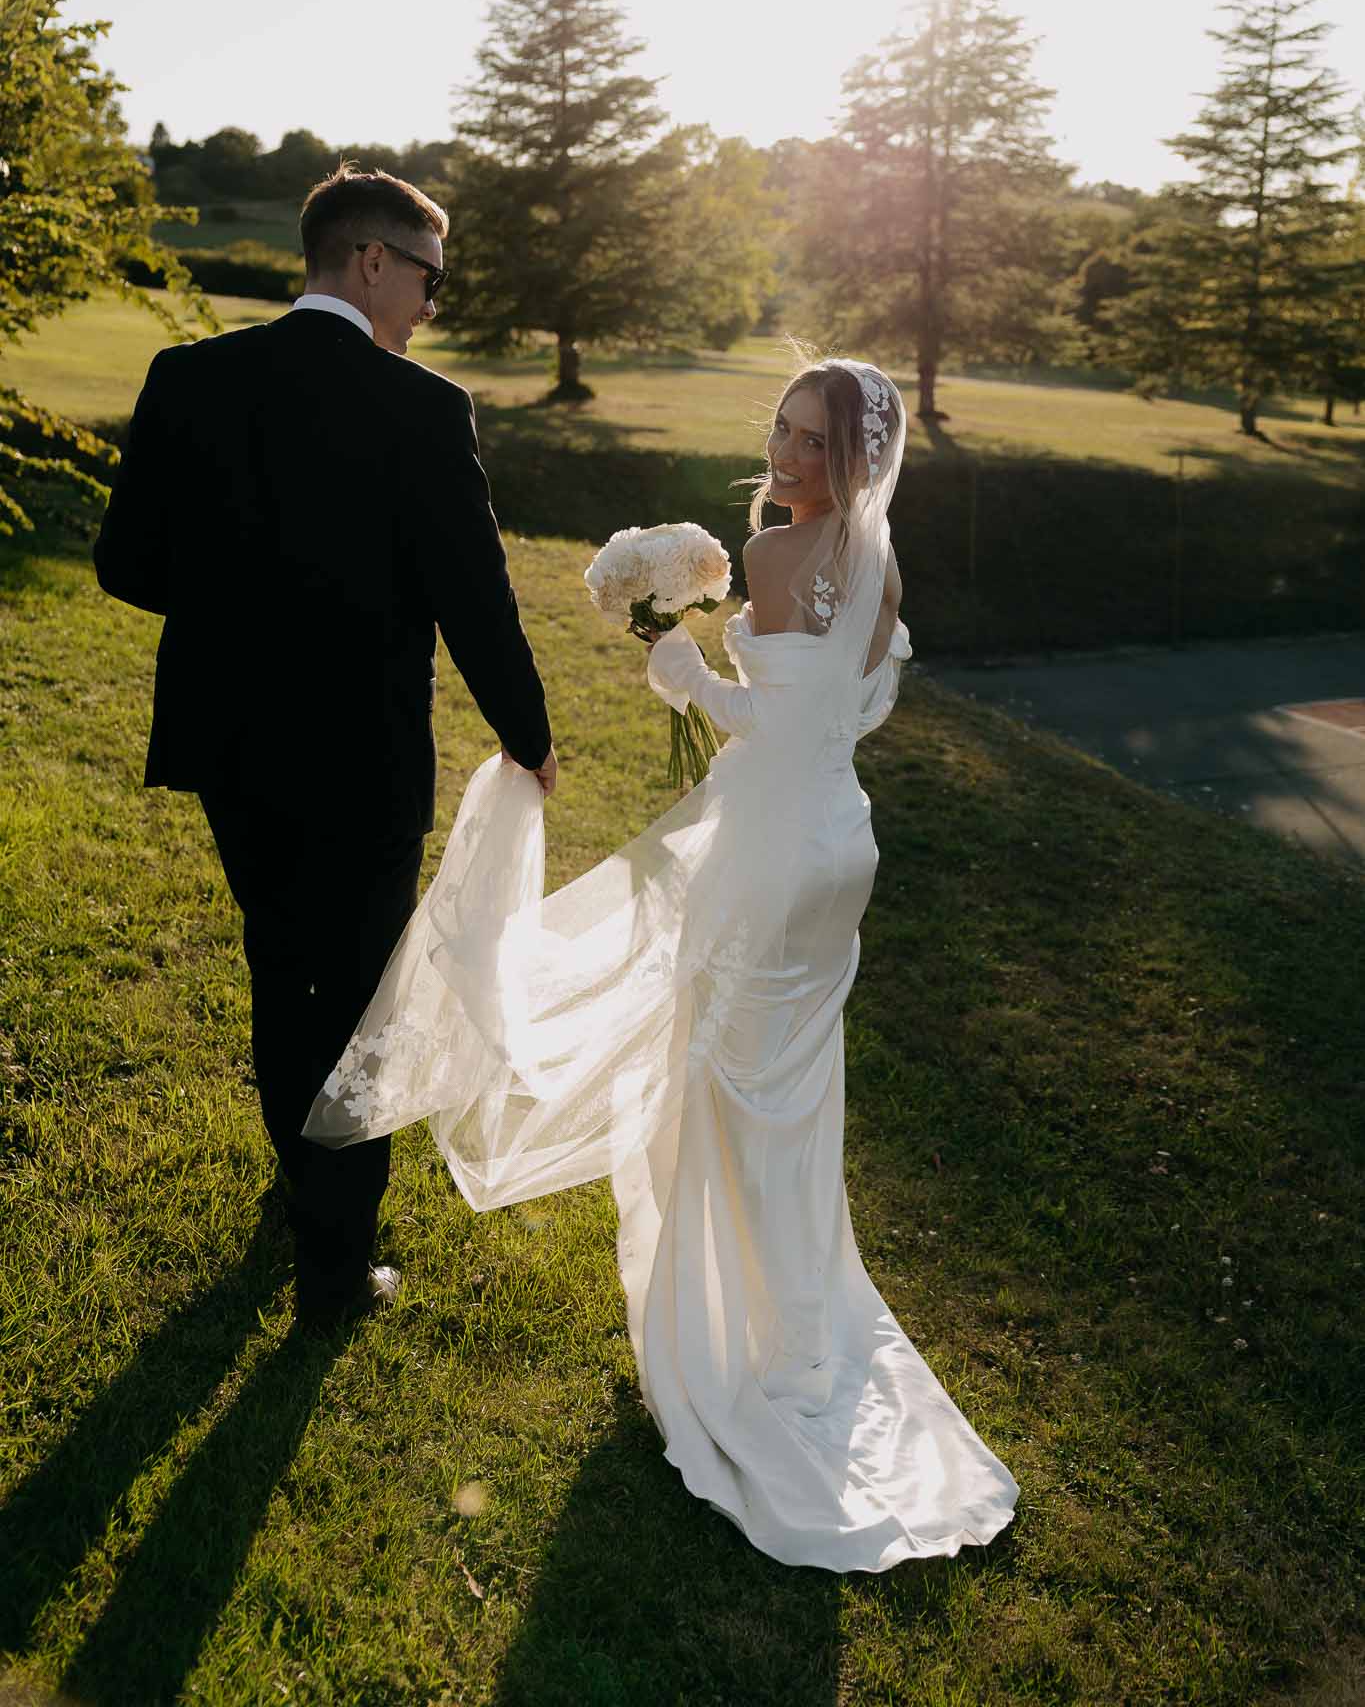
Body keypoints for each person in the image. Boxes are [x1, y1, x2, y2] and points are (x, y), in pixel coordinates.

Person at [307, 350, 1017, 1568]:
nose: (788, 455)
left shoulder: (780, 554)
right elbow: (856, 709)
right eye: (783, 429)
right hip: (839, 847)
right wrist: (723, 692)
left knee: (723, 1092)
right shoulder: (875, 554)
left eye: (814, 441)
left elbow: (779, 718)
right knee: (787, 1101)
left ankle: (733, 1351)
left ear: (856, 457)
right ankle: (797, 1330)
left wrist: (686, 674)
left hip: (774, 854)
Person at [93, 165, 555, 1328]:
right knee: (355, 1000)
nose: (432, 306)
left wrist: (238, 604)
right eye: (430, 279)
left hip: (229, 739)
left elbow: (124, 565)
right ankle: (335, 1274)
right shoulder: (420, 407)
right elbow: (476, 599)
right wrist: (529, 734)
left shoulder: (187, 378)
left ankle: (304, 1185)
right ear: (370, 261)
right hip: (361, 757)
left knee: (280, 963)